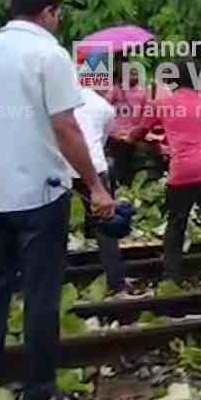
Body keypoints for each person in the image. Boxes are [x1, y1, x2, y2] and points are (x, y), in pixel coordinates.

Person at [0, 0, 116, 400]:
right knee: (41, 293)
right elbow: (65, 127)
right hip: (42, 194)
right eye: (58, 14)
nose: (59, 22)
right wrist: (96, 186)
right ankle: (38, 394)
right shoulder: (49, 55)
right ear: (48, 12)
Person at [130, 61, 201, 288]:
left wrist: (136, 139)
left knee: (176, 223)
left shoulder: (163, 103)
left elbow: (138, 132)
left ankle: (171, 276)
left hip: (184, 170)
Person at [73, 83, 129, 294]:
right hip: (94, 167)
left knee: (55, 227)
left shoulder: (62, 100)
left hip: (62, 168)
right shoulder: (104, 107)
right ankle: (116, 283)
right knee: (106, 227)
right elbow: (103, 140)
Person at [106, 63, 159, 188]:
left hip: (133, 134)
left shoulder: (142, 92)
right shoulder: (116, 90)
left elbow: (146, 113)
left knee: (131, 163)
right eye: (131, 74)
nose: (134, 76)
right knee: (119, 162)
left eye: (136, 74)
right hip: (117, 135)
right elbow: (106, 107)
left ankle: (128, 185)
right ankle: (119, 184)